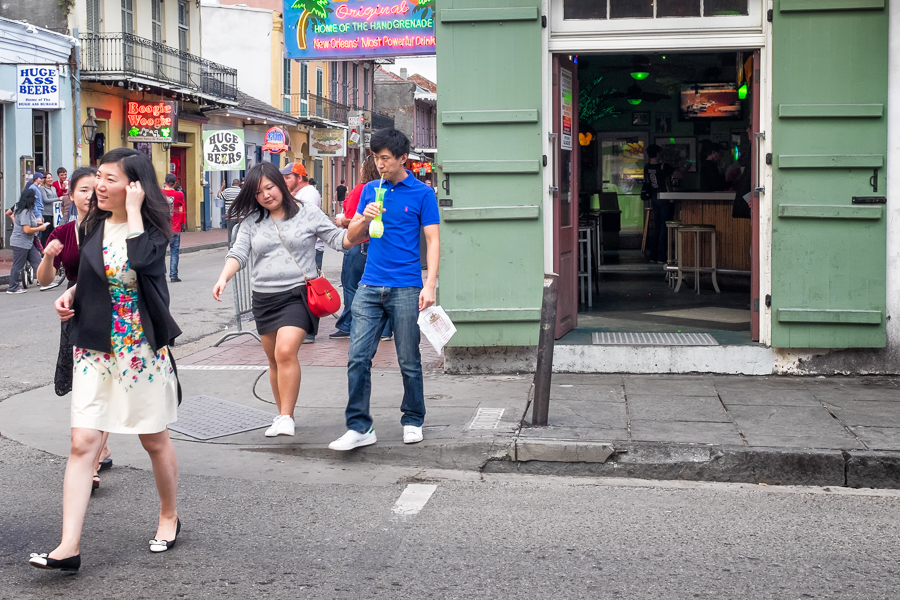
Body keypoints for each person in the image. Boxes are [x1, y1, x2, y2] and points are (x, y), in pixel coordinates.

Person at [28, 148, 183, 573]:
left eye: (110, 178)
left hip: (139, 351)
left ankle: (169, 514)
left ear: (134, 186)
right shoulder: (92, 224)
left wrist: (133, 213)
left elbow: (142, 264)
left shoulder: (153, 226)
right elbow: (94, 274)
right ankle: (68, 546)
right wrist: (71, 294)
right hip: (94, 348)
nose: (100, 184)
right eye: (99, 176)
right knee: (82, 444)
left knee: (153, 439)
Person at [212, 162, 368, 438]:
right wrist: (224, 277)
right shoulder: (251, 221)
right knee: (273, 360)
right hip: (263, 297)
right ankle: (283, 413)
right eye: (259, 192)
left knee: (285, 352)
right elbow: (239, 252)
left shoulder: (307, 212)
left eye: (270, 188)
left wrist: (360, 225)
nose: (266, 195)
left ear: (282, 185)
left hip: (298, 295)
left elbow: (338, 239)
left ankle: (285, 417)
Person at [329, 128, 440, 451]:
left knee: (408, 358)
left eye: (386, 158)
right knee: (357, 357)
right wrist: (362, 218)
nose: (380, 164)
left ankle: (413, 418)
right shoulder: (369, 190)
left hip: (406, 285)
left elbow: (432, 241)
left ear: (403, 158)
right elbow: (351, 238)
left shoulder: (422, 194)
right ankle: (359, 426)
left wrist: (429, 284)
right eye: (376, 158)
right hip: (369, 285)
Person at [36, 166, 114, 485]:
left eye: (95, 189)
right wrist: (46, 257)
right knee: (82, 386)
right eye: (83, 189)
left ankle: (92, 463)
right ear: (70, 195)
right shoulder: (63, 232)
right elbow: (44, 280)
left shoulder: (110, 227)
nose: (90, 195)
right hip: (73, 313)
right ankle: (101, 447)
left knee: (102, 386)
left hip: (106, 311)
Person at [330, 155, 392, 341]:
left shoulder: (362, 189)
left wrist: (342, 220)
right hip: (371, 242)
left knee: (350, 284)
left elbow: (353, 221)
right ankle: (385, 329)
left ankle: (349, 323)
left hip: (359, 244)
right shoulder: (379, 188)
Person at [280, 162, 325, 343]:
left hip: (310, 248)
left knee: (309, 291)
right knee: (300, 290)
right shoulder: (298, 194)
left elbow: (300, 217)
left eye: (288, 177)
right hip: (300, 248)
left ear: (300, 178)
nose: (285, 181)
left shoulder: (309, 194)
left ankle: (309, 331)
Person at [6, 189, 49, 294]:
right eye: (34, 197)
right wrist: (40, 229)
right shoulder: (24, 211)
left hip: (28, 242)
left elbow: (30, 225)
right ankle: (13, 287)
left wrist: (39, 225)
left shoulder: (27, 210)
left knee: (37, 261)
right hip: (20, 242)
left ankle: (44, 282)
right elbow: (26, 230)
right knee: (18, 265)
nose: (35, 199)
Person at [644, 144, 675, 264]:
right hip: (665, 198)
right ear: (657, 153)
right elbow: (678, 174)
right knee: (664, 227)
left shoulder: (647, 167)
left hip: (654, 198)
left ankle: (653, 255)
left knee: (657, 227)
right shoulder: (664, 166)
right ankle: (662, 256)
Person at [163, 174, 186, 282]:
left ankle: (161, 274)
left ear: (165, 182)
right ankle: (173, 275)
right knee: (174, 252)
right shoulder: (179, 194)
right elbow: (181, 210)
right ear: (175, 183)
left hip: (162, 227)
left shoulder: (159, 193)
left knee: (160, 252)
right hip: (174, 227)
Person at [218, 178, 242, 244]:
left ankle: (231, 249)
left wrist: (222, 186)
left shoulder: (227, 191)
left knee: (230, 233)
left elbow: (219, 195)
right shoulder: (242, 191)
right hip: (240, 216)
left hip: (230, 216)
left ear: (232, 184)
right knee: (241, 233)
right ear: (239, 184)